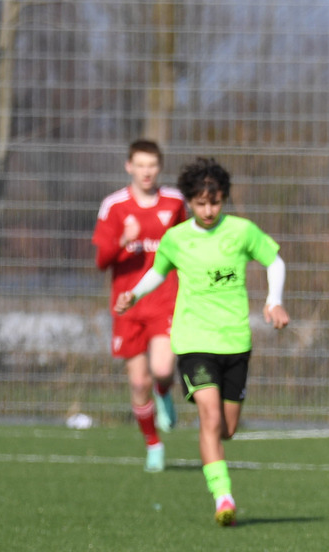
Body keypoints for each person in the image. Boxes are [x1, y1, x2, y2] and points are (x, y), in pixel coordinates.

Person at [115, 158, 290, 526]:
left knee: (226, 427)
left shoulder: (241, 231)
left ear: (224, 199)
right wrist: (134, 293)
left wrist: (274, 300)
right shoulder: (176, 238)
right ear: (189, 202)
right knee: (209, 418)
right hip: (193, 340)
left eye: (215, 202)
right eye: (200, 203)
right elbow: (157, 273)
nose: (208, 210)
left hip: (236, 343)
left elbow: (274, 261)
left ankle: (219, 475)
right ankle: (223, 497)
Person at [93, 140, 186, 473]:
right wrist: (122, 240)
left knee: (162, 369)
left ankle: (165, 392)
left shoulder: (175, 201)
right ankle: (153, 445)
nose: (146, 172)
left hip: (165, 299)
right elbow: (102, 260)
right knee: (137, 383)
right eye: (140, 165)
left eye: (152, 165)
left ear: (159, 167)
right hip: (127, 305)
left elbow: (185, 245)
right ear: (128, 166)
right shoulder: (114, 206)